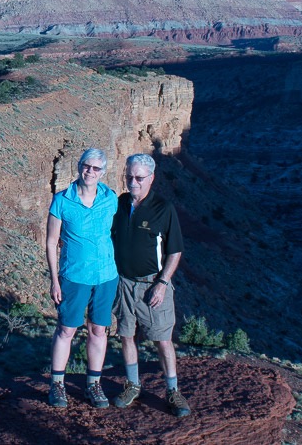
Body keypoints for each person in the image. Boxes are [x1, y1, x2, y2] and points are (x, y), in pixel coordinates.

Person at [111, 153, 191, 417]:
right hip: (123, 283)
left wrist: (163, 283)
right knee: (126, 335)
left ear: (151, 178)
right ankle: (133, 385)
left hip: (152, 285)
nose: (132, 182)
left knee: (163, 340)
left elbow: (175, 251)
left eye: (139, 178)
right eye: (129, 177)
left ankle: (172, 390)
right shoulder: (121, 204)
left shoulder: (163, 208)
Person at [45, 148, 119, 409]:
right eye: (86, 166)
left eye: (96, 168)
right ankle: (57, 384)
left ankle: (94, 384)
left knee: (99, 329)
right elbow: (52, 241)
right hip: (74, 276)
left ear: (103, 172)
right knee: (66, 329)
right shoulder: (62, 200)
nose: (90, 171)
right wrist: (54, 280)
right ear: (79, 167)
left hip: (106, 276)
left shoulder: (111, 199)